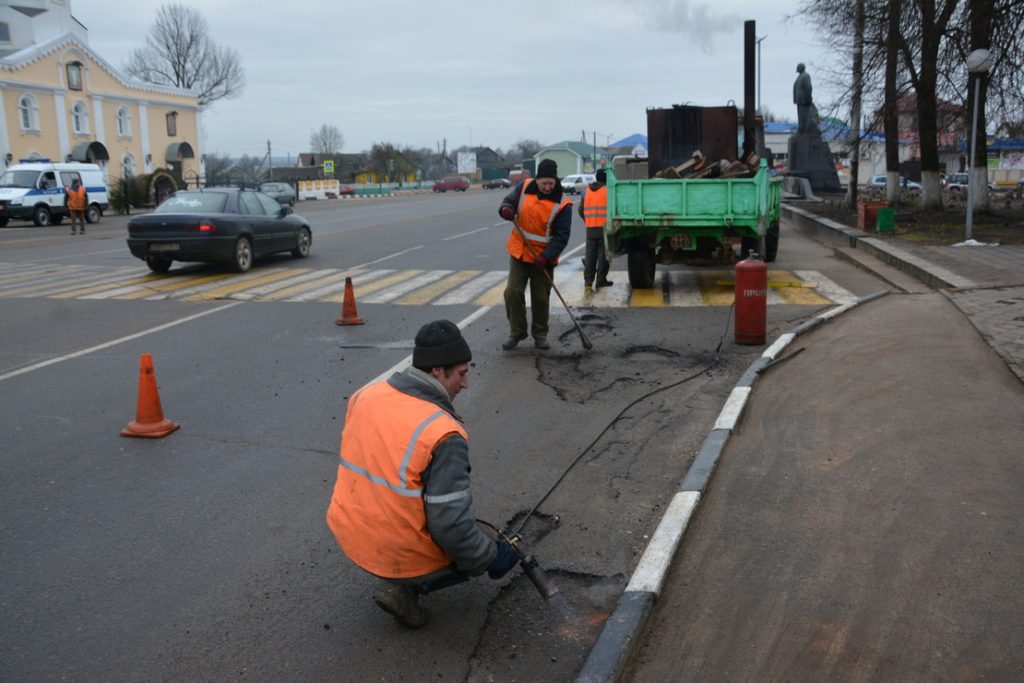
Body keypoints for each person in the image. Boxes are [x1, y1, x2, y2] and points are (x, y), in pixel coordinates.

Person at [325, 320, 519, 628]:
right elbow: (451, 527)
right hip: (393, 550)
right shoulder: (443, 433)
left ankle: (397, 571)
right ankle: (405, 588)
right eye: (461, 373)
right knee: (476, 545)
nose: (466, 384)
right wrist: (489, 558)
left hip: (348, 529)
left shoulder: (367, 394)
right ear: (437, 372)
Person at [497, 158, 572, 350]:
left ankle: (540, 334)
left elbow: (562, 237)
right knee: (512, 292)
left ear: (556, 181)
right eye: (544, 183)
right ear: (537, 180)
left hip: (542, 258)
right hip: (520, 251)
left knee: (540, 297)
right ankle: (517, 332)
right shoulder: (525, 186)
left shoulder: (563, 204)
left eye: (551, 183)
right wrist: (506, 209)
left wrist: (546, 256)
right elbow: (509, 201)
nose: (547, 187)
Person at [578, 168, 613, 291]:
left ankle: (588, 281)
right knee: (603, 255)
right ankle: (601, 280)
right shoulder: (608, 191)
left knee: (590, 255)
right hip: (604, 228)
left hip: (590, 228)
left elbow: (580, 210)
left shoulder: (586, 191)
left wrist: (588, 220)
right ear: (607, 179)